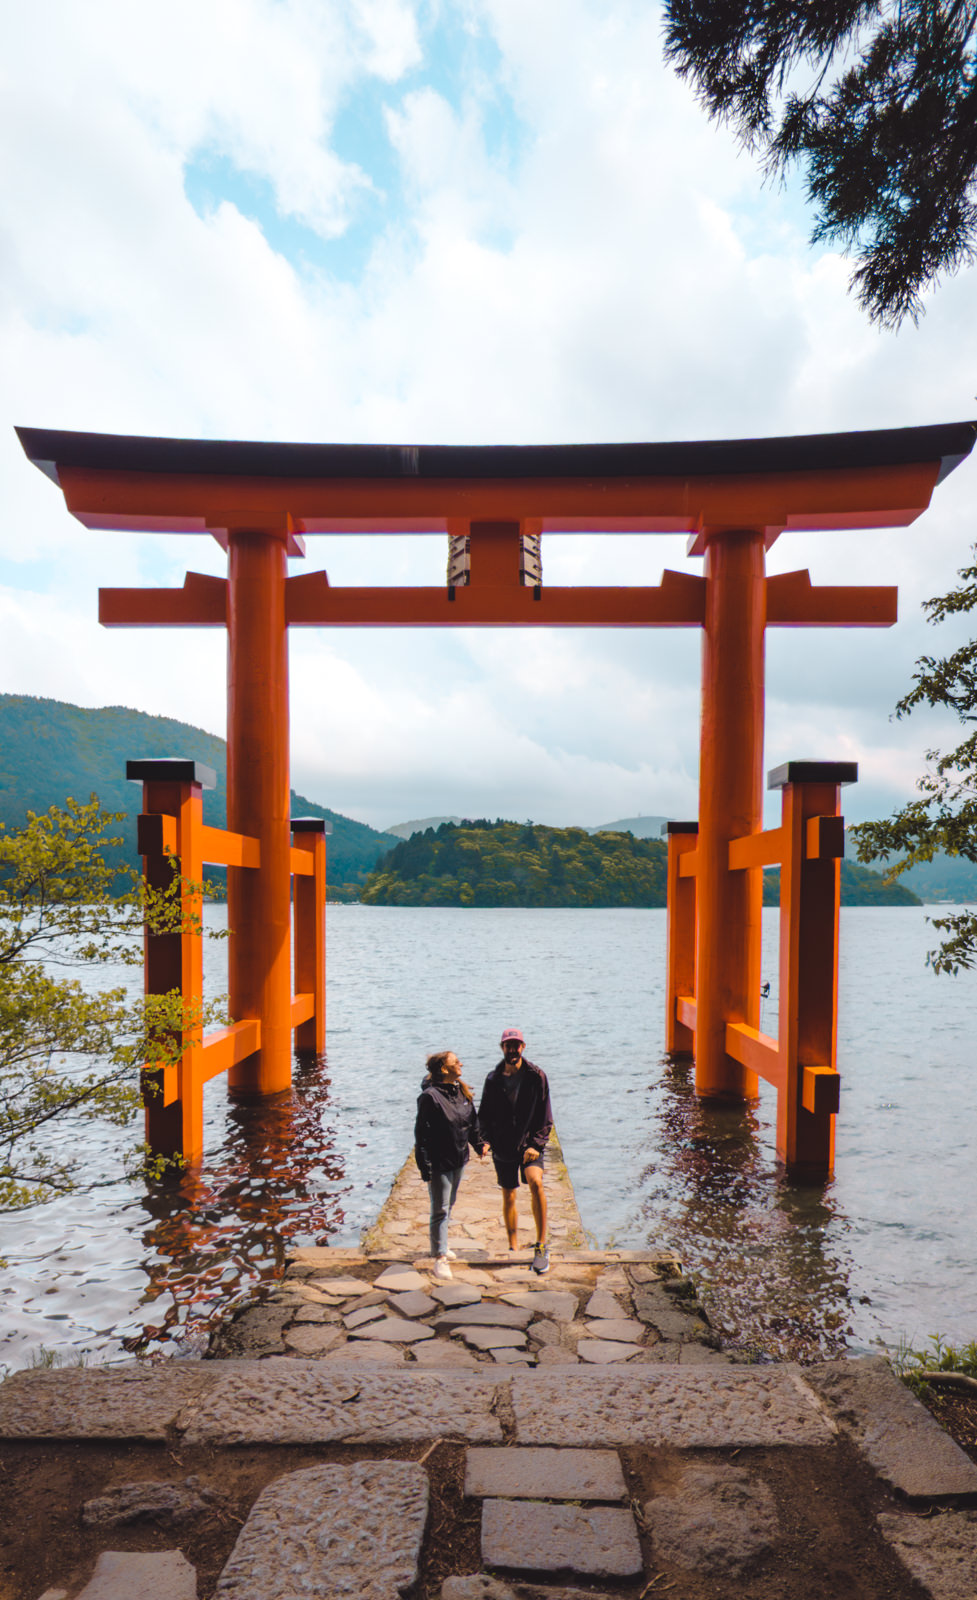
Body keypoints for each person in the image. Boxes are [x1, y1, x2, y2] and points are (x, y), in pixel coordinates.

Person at [478, 1027, 553, 1275]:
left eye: (517, 1045)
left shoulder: (536, 1076)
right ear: (502, 1048)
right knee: (509, 1194)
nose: (513, 1049)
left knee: (536, 1183)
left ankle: (541, 1245)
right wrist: (484, 1141)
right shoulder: (493, 1079)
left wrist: (536, 1145)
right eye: (508, 1045)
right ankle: (512, 1246)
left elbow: (545, 1116)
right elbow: (484, 1116)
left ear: (523, 1047)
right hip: (503, 1144)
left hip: (529, 1144)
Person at [414, 1049, 485, 1281]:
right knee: (440, 1208)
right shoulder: (430, 1097)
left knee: (449, 1203)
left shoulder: (460, 1091)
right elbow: (421, 1135)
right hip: (439, 1161)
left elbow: (471, 1122)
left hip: (458, 1158)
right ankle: (440, 1258)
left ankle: (441, 1243)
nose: (461, 1063)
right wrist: (425, 1167)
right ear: (445, 1069)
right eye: (456, 1062)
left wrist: (479, 1144)